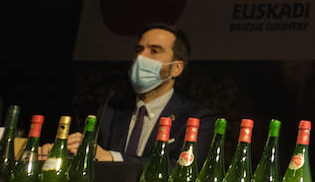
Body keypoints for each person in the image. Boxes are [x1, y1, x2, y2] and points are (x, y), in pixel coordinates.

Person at [78, 23, 214, 162]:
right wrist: (75, 149)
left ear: (176, 68)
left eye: (154, 51)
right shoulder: (110, 111)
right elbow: (94, 157)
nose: (141, 57)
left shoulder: (196, 119)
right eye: (139, 49)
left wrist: (115, 158)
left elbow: (181, 168)